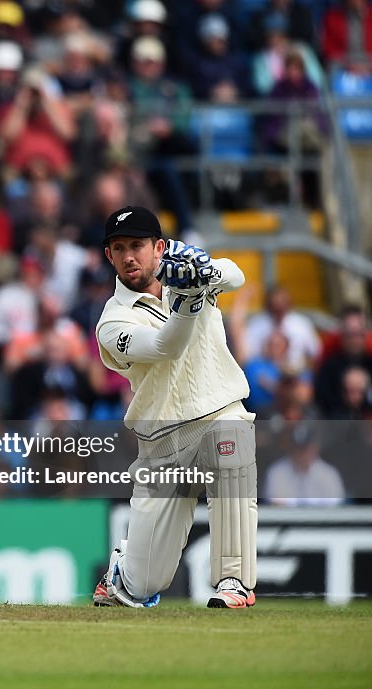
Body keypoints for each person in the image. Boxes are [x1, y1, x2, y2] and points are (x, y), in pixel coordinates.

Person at [92, 206, 258, 609]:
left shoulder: (187, 273)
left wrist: (205, 273)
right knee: (144, 585)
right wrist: (189, 298)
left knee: (231, 445)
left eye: (137, 245)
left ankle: (235, 581)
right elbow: (167, 347)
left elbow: (235, 274)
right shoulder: (112, 323)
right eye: (119, 248)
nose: (129, 256)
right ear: (109, 256)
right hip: (162, 441)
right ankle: (125, 573)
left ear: (159, 248)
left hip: (220, 410)